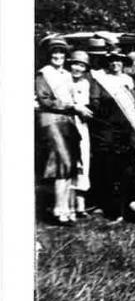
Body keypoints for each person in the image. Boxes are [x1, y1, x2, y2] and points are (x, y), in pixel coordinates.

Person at [88, 47, 135, 222]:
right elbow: (95, 103)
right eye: (112, 60)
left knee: (129, 169)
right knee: (110, 170)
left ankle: (133, 206)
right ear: (108, 63)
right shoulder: (100, 80)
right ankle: (113, 209)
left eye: (119, 60)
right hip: (109, 131)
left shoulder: (128, 80)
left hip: (129, 131)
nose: (116, 64)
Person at [36, 39, 87, 223]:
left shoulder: (66, 74)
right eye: (54, 53)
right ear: (49, 56)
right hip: (51, 121)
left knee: (69, 165)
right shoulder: (44, 74)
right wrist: (70, 106)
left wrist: (75, 107)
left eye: (61, 53)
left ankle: (65, 207)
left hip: (67, 122)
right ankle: (58, 208)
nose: (58, 56)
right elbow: (45, 100)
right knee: (61, 162)